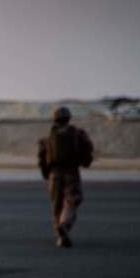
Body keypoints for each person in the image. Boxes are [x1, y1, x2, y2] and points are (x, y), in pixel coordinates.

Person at [37, 106, 93, 248]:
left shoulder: (47, 136)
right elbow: (88, 147)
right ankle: (65, 224)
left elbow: (41, 155)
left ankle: (60, 235)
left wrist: (45, 173)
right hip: (71, 172)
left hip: (54, 174)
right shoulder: (77, 133)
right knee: (72, 200)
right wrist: (85, 162)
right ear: (69, 118)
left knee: (57, 205)